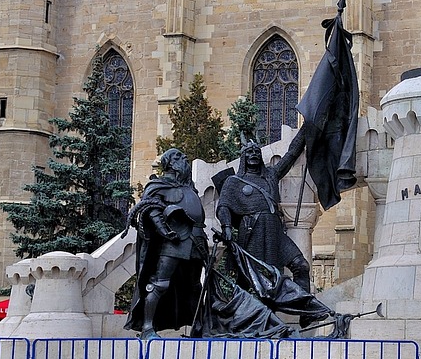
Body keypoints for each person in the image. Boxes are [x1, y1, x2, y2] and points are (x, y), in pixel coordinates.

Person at [125, 148, 208, 339]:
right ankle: (147, 328)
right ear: (169, 163)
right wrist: (164, 231)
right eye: (178, 156)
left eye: (183, 156)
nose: (184, 158)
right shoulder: (158, 185)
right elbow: (151, 209)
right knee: (160, 283)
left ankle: (199, 327)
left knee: (195, 286)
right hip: (173, 240)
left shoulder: (190, 188)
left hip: (196, 239)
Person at [216, 138, 313, 296]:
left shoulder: (271, 175)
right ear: (243, 157)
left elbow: (291, 154)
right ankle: (240, 314)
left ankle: (305, 310)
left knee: (301, 265)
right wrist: (226, 226)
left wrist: (306, 129)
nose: (253, 154)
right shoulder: (233, 182)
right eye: (249, 152)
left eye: (256, 151)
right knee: (250, 279)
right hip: (252, 231)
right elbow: (224, 206)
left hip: (275, 233)